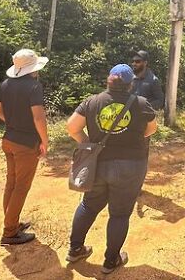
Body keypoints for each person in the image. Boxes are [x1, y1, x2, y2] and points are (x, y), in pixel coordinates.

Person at [66, 64, 157, 274]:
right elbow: (151, 130)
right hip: (131, 166)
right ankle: (111, 261)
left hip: (98, 164)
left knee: (88, 206)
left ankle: (75, 249)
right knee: (119, 214)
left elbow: (72, 127)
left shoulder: (93, 101)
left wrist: (88, 143)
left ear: (108, 80)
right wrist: (129, 140)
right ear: (130, 84)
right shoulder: (141, 104)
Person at [0, 49, 49, 246]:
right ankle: (9, 232)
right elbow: (38, 116)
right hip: (26, 144)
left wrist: (14, 122)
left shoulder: (5, 84)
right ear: (33, 69)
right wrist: (45, 140)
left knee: (12, 183)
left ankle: (12, 223)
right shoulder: (34, 86)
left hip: (8, 139)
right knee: (21, 187)